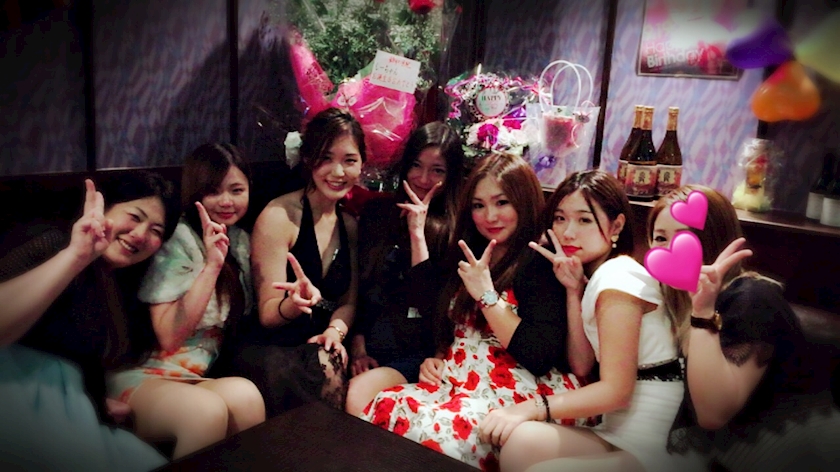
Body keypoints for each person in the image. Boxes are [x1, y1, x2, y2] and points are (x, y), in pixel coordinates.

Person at [359, 152, 588, 470]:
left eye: (502, 202)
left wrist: (487, 296)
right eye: (479, 205)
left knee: (438, 435)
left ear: (524, 201)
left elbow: (538, 355)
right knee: (387, 405)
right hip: (459, 380)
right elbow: (433, 309)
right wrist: (438, 355)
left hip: (514, 390)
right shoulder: (472, 250)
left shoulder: (539, 260)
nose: (489, 216)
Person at [488, 169, 688, 472]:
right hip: (616, 431)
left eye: (584, 220)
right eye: (560, 218)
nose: (568, 232)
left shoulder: (617, 277)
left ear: (616, 225)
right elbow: (581, 364)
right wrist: (574, 291)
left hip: (653, 443)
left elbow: (617, 391)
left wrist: (532, 408)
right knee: (522, 443)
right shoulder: (598, 276)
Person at [0, 171, 179, 471]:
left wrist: (96, 402)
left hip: (69, 405)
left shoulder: (120, 281)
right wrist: (75, 256)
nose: (140, 234)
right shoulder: (54, 243)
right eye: (135, 217)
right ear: (104, 207)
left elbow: (85, 359)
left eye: (156, 230)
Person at [654, 185, 840, 471]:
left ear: (715, 239)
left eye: (685, 239)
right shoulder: (674, 300)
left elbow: (713, 413)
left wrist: (703, 312)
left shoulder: (752, 299)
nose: (669, 250)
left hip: (797, 448)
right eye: (659, 238)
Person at [106, 143, 265, 459]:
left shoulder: (241, 241)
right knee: (204, 412)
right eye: (213, 191)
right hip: (145, 373)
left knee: (247, 396)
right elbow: (169, 336)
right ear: (195, 192)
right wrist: (212, 266)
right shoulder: (177, 238)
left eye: (236, 190)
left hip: (191, 376)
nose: (226, 201)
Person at [220, 107, 362, 418]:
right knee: (325, 366)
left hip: (319, 342)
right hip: (272, 346)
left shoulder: (349, 224)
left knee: (333, 359)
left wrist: (335, 332)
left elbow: (348, 301)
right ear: (308, 159)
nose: (338, 171)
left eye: (350, 160)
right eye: (326, 158)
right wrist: (295, 304)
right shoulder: (279, 217)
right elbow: (268, 315)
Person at [345, 121, 466, 416]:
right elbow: (361, 287)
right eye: (416, 165)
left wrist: (417, 234)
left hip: (418, 354)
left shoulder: (455, 231)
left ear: (451, 176)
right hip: (366, 344)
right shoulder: (377, 213)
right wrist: (358, 347)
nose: (423, 179)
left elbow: (429, 305)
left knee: (359, 394)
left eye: (437, 170)